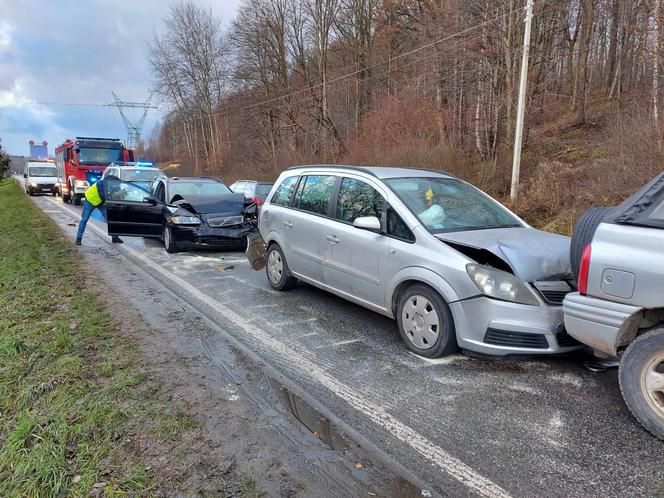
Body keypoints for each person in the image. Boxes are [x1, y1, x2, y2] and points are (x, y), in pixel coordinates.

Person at [75, 178, 123, 246]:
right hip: (90, 200)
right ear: (113, 182)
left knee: (109, 219)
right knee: (84, 220)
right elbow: (105, 197)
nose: (118, 186)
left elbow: (112, 196)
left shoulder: (112, 185)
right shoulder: (101, 184)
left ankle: (114, 237)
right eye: (118, 184)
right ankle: (78, 239)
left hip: (100, 201)